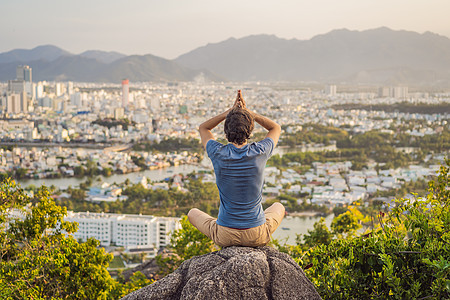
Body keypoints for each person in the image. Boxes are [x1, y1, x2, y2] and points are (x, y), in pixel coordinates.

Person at [188, 90, 285, 247]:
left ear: (226, 131)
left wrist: (228, 113)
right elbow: (275, 128)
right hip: (257, 234)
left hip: (226, 235)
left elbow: (203, 128)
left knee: (192, 213)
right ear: (250, 130)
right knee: (278, 206)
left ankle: (221, 223)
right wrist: (248, 113)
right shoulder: (260, 151)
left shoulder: (217, 152)